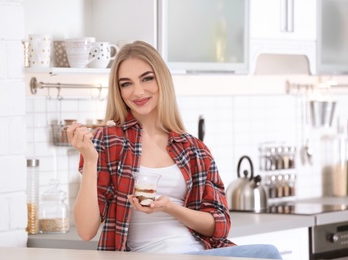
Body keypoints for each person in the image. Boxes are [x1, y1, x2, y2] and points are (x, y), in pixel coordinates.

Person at [67, 40, 282, 259]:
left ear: (162, 79)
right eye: (126, 84)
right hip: (146, 254)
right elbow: (86, 231)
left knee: (268, 254)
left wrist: (170, 207)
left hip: (197, 252)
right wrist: (90, 159)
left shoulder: (193, 149)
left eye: (147, 78)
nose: (138, 91)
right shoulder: (108, 141)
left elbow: (219, 225)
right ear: (119, 91)